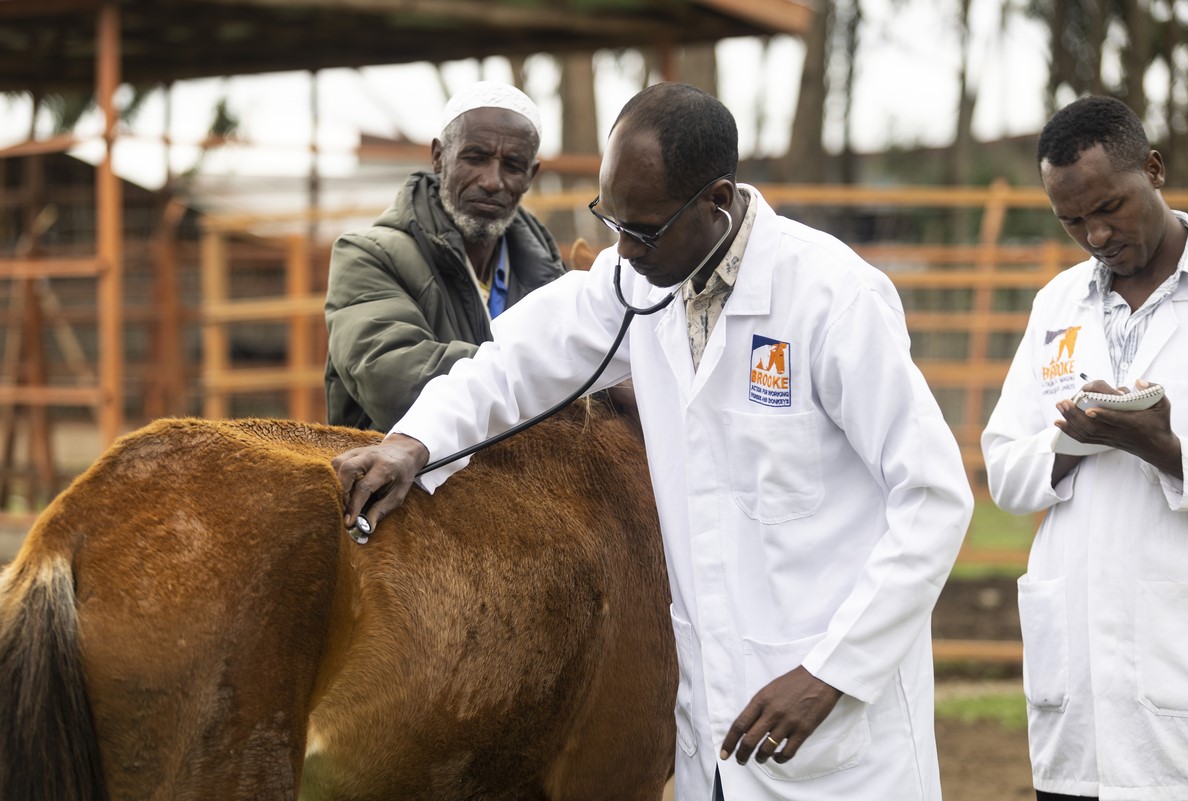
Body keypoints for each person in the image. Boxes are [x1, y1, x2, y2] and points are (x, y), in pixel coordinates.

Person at [332, 82, 973, 800]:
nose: (622, 248)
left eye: (645, 228)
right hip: (714, 723)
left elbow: (934, 499)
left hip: (833, 725)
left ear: (717, 201)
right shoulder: (638, 284)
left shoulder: (832, 299)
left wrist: (831, 670)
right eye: (611, 219)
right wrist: (414, 443)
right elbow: (509, 364)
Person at [981, 95, 1188, 801]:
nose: (1096, 233)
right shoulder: (1056, 305)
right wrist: (1076, 442)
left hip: (1182, 673)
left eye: (1110, 206)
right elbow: (1006, 471)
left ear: (1155, 171)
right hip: (1076, 695)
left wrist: (1168, 451)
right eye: (1072, 220)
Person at [324, 81, 566, 429]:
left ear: (531, 175)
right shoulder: (366, 255)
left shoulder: (550, 274)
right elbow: (395, 382)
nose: (492, 181)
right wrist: (549, 373)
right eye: (475, 158)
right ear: (438, 157)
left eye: (513, 165)